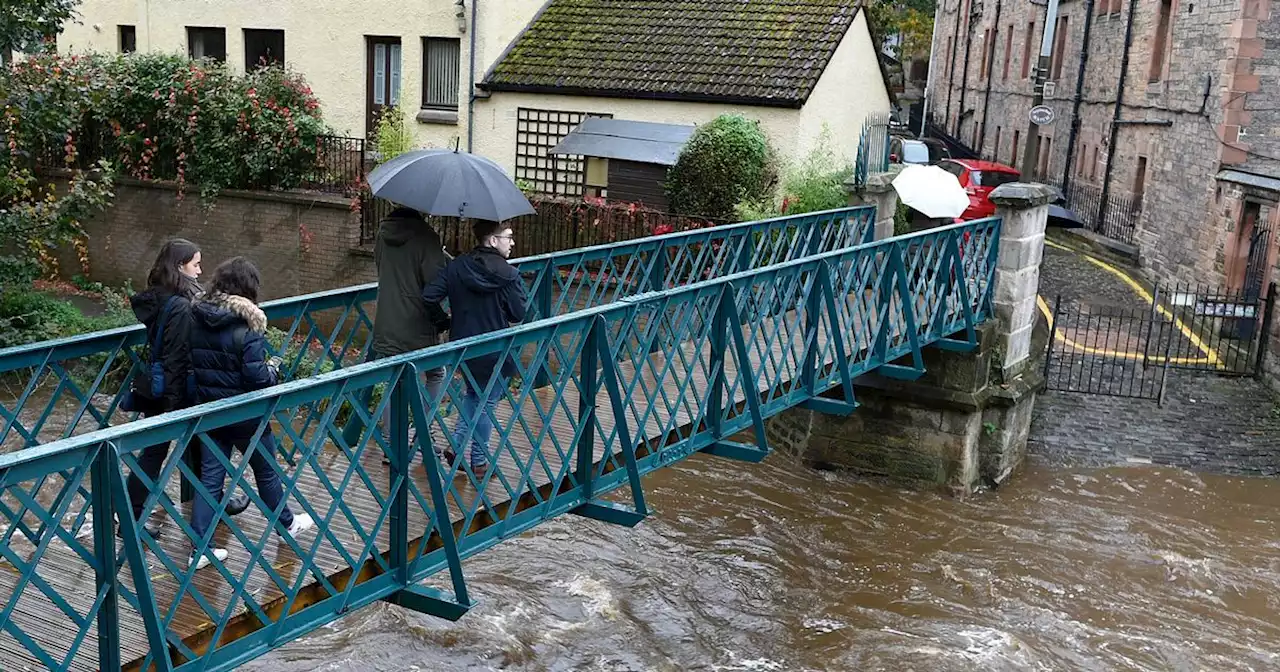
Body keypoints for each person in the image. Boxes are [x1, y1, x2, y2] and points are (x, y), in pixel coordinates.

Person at [187, 257, 314, 569]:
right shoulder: (249, 327)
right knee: (266, 470)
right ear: (248, 289)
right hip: (246, 416)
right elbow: (257, 379)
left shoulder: (196, 317)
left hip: (211, 411)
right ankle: (286, 526)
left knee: (209, 479)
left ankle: (200, 548)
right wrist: (272, 369)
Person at [126, 239, 247, 538]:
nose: (200, 270)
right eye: (196, 264)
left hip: (165, 386)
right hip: (174, 391)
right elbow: (177, 355)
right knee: (158, 452)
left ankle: (212, 501)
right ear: (180, 267)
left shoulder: (161, 297)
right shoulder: (180, 304)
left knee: (186, 448)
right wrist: (174, 403)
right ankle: (129, 516)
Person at [340, 205, 451, 463]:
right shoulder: (426, 237)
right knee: (436, 373)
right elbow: (435, 284)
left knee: (393, 382)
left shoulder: (383, 234)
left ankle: (391, 443)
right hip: (417, 322)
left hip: (387, 320)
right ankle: (422, 436)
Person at [422, 220, 527, 477]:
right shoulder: (508, 274)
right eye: (508, 237)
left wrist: (444, 321)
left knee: (475, 395)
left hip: (463, 347)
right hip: (494, 348)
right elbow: (518, 313)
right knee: (487, 401)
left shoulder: (457, 266)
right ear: (492, 240)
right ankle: (475, 460)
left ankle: (463, 451)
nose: (512, 242)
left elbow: (428, 296)